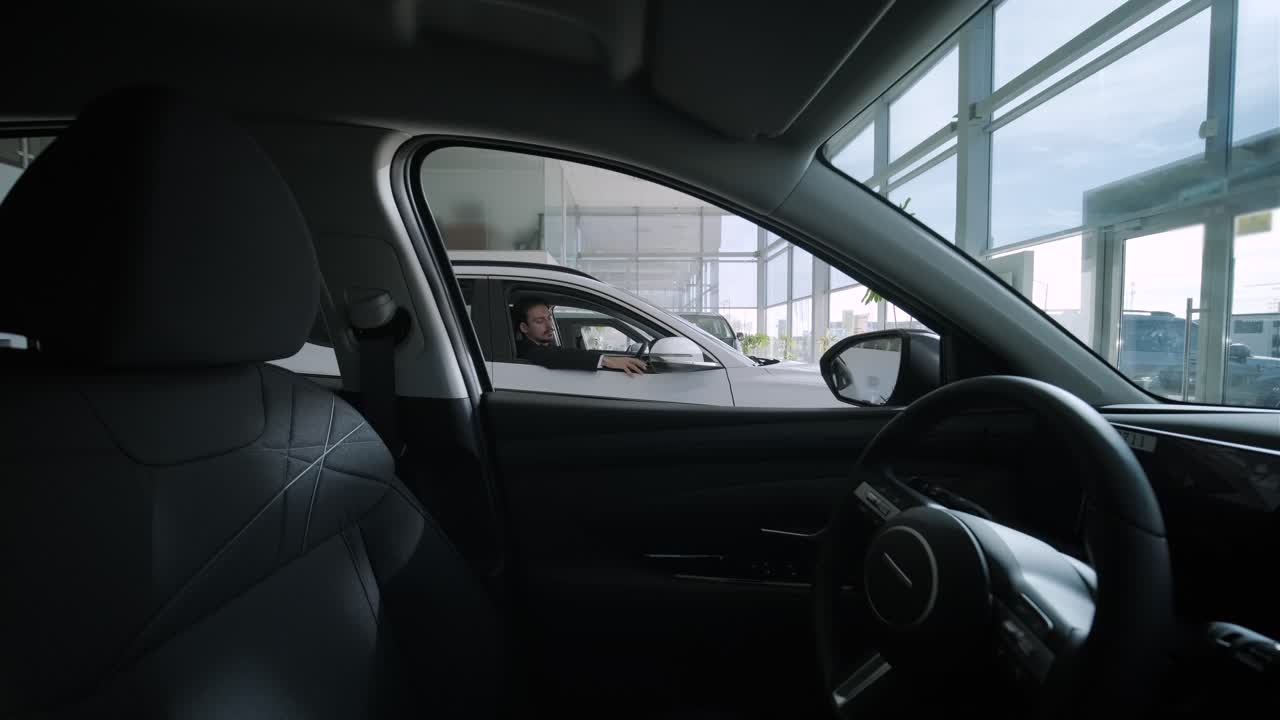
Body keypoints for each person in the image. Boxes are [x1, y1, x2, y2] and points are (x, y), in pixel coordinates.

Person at [514, 297, 648, 375]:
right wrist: (606, 360)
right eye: (539, 321)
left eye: (549, 318)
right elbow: (556, 356)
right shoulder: (525, 350)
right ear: (524, 328)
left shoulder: (545, 346)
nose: (549, 326)